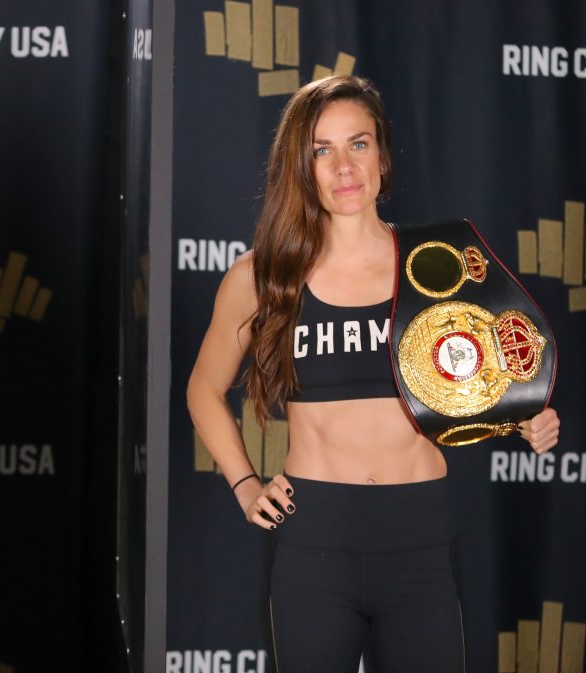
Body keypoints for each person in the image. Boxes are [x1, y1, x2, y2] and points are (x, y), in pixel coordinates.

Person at [186, 75, 559, 673]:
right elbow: (203, 390)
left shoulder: (440, 265)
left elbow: (493, 382)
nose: (344, 167)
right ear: (302, 168)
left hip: (421, 538)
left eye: (358, 144)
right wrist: (246, 486)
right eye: (322, 150)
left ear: (382, 156)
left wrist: (528, 419)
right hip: (314, 544)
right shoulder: (263, 277)